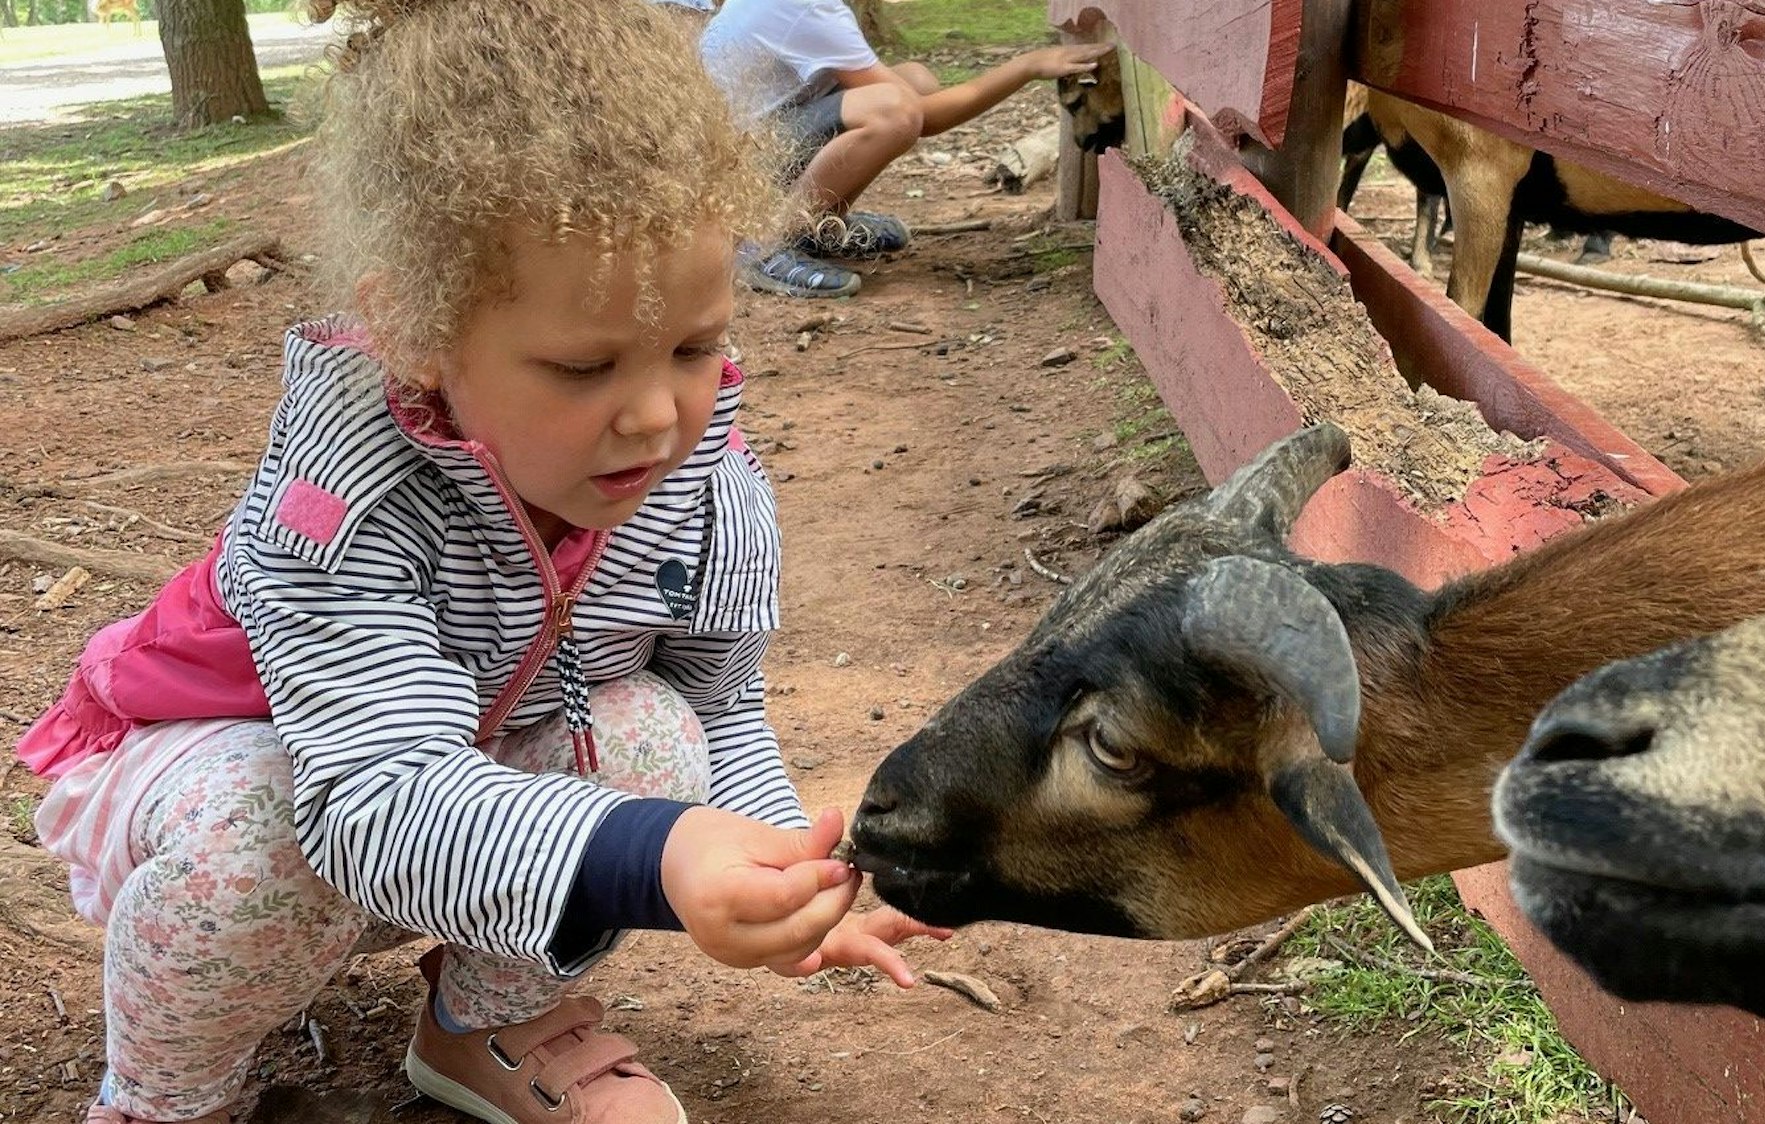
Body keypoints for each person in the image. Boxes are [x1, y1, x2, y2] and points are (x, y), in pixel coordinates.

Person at [15, 3, 948, 1122]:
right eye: (580, 365)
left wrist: (785, 865)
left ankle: (483, 1024)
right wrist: (658, 854)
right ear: (416, 331)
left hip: (465, 778)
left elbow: (719, 698)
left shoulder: (707, 487)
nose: (656, 416)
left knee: (655, 732)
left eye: (695, 346)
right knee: (262, 825)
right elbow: (371, 797)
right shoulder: (338, 501)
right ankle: (167, 1095)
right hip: (228, 787)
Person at [700, 0, 1109, 298]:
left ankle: (819, 226)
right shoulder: (808, 7)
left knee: (915, 80)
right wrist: (1027, 66)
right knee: (895, 112)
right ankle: (766, 247)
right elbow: (920, 118)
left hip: (747, 147)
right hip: (732, 171)